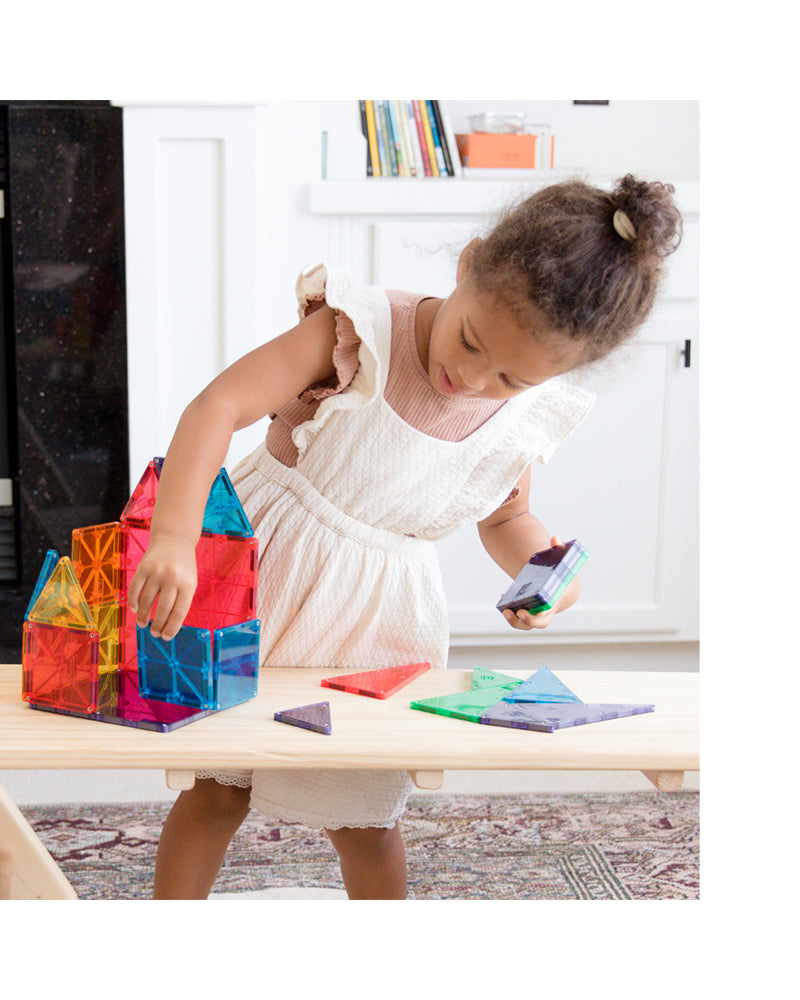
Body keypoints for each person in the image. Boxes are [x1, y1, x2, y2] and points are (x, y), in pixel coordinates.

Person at [128, 174, 683, 899]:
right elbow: (217, 404)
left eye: (509, 378)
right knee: (215, 791)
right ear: (468, 263)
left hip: (379, 622)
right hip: (261, 581)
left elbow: (506, 519)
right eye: (471, 340)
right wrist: (175, 535)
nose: (472, 378)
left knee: (366, 820)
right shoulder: (360, 331)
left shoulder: (518, 417)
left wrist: (546, 575)